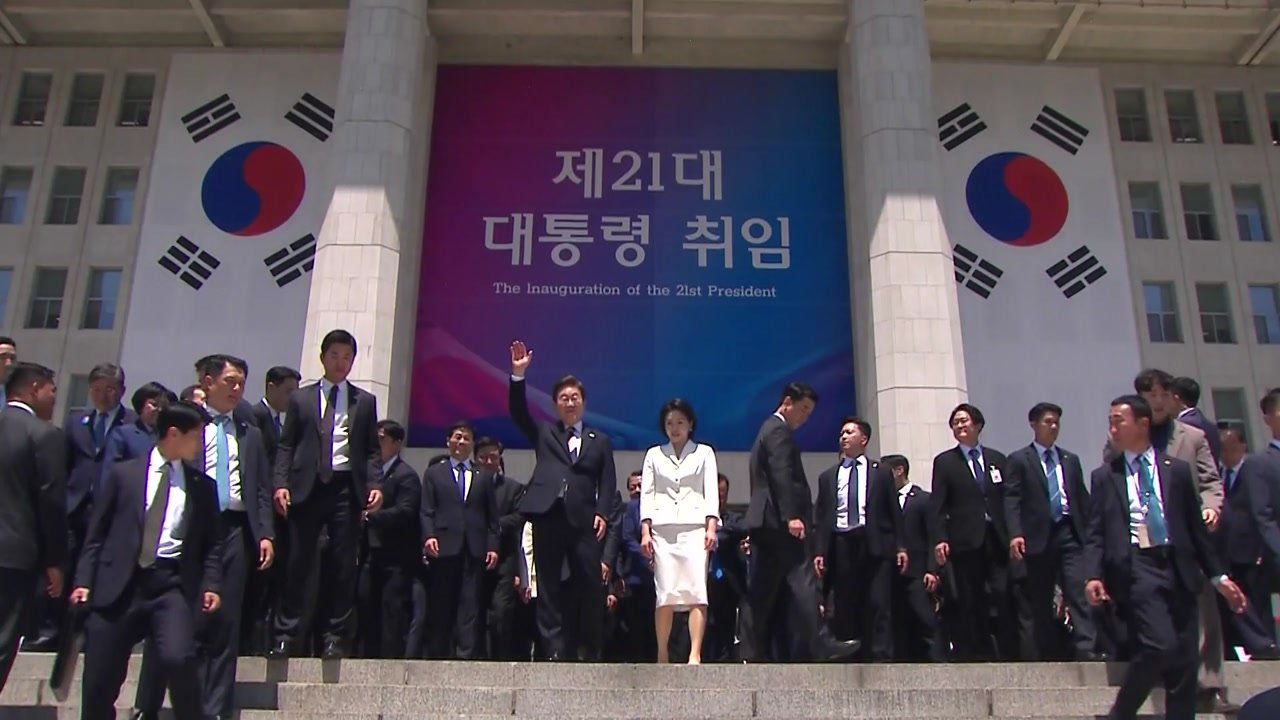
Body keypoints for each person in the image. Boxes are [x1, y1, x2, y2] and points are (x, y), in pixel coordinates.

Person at [1083, 394, 1246, 720]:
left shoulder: (1177, 471)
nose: (1112, 428)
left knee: (1185, 661)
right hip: (1137, 565)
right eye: (1110, 422)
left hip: (1179, 566)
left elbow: (1196, 531)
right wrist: (1093, 575)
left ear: (1142, 423)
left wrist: (1219, 577)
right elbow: (1095, 531)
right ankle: (1121, 713)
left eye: (1119, 421)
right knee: (1159, 645)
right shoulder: (1106, 476)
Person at [72, 401, 223, 720]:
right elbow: (96, 533)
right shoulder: (123, 475)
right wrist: (84, 580)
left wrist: (211, 584)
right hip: (120, 584)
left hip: (169, 585)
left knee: (179, 657)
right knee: (101, 676)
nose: (200, 445)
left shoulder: (202, 487)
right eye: (196, 437)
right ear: (174, 434)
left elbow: (212, 544)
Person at [269, 329, 383, 660]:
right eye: (335, 355)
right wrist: (280, 482)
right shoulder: (301, 399)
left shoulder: (365, 402)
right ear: (322, 357)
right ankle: (286, 635)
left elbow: (372, 451)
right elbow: (287, 445)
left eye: (347, 357)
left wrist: (375, 485)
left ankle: (334, 638)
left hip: (346, 487)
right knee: (299, 562)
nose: (340, 363)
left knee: (343, 565)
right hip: (307, 486)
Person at [508, 340, 616, 661]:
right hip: (548, 516)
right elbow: (518, 412)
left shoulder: (599, 440)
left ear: (583, 402)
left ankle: (589, 649)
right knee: (549, 586)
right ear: (555, 404)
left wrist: (602, 513)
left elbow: (607, 481)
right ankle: (553, 650)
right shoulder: (545, 433)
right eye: (564, 398)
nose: (570, 403)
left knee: (590, 585)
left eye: (575, 397)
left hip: (583, 521)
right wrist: (518, 374)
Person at [744, 382, 858, 662]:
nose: (805, 417)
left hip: (766, 522)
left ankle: (751, 649)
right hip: (780, 522)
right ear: (787, 402)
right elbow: (781, 472)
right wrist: (791, 516)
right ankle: (822, 644)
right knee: (803, 580)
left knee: (761, 591)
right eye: (803, 409)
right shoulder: (778, 430)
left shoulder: (767, 429)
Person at [1004, 402, 1100, 661]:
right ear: (1034, 425)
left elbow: (1081, 498)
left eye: (1057, 422)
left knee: (1076, 588)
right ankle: (1047, 650)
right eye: (1048, 422)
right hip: (1037, 536)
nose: (1053, 427)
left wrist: (1090, 533)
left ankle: (1086, 646)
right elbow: (1012, 499)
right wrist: (1015, 533)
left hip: (1068, 531)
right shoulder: (1019, 460)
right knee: (1041, 595)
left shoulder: (1070, 460)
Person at [927, 403, 1016, 660]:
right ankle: (977, 651)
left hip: (997, 537)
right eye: (955, 423)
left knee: (1003, 592)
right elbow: (937, 505)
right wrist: (940, 538)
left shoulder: (998, 459)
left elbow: (1008, 499)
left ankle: (1009, 650)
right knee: (970, 596)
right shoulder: (945, 462)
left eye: (964, 421)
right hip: (965, 539)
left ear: (978, 425)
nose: (960, 426)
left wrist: (1014, 534)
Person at [638, 398, 719, 664]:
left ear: (690, 425)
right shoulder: (654, 454)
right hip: (663, 531)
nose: (674, 428)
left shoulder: (704, 453)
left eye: (680, 422)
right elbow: (647, 494)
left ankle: (695, 652)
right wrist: (646, 531)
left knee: (696, 591)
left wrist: (711, 527)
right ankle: (662, 652)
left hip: (695, 529)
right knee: (665, 593)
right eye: (669, 423)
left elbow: (710, 492)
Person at [0, 362, 65, 691]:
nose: (54, 398)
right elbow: (50, 502)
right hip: (14, 556)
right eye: (52, 391)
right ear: (35, 388)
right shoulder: (43, 434)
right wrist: (55, 561)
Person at [420, 421, 498, 659]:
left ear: (472, 444)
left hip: (474, 547)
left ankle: (465, 654)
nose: (461, 442)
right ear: (448, 441)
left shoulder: (483, 476)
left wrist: (493, 546)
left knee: (470, 603)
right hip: (444, 545)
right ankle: (438, 653)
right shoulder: (435, 473)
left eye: (466, 438)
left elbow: (492, 517)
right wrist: (428, 535)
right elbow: (427, 510)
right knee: (442, 601)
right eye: (457, 437)